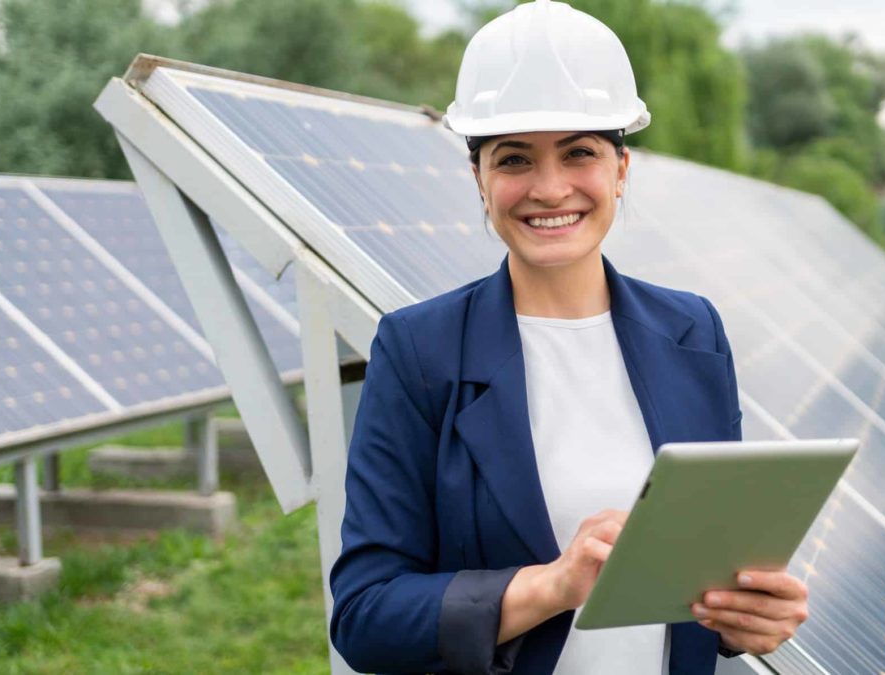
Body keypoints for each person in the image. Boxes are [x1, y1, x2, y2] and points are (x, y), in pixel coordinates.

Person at [328, 2, 809, 673]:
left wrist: (745, 617)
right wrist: (551, 585)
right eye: (515, 158)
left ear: (620, 168)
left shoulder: (693, 331)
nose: (549, 189)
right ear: (479, 179)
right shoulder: (420, 350)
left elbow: (708, 568)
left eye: (579, 151)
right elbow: (365, 613)